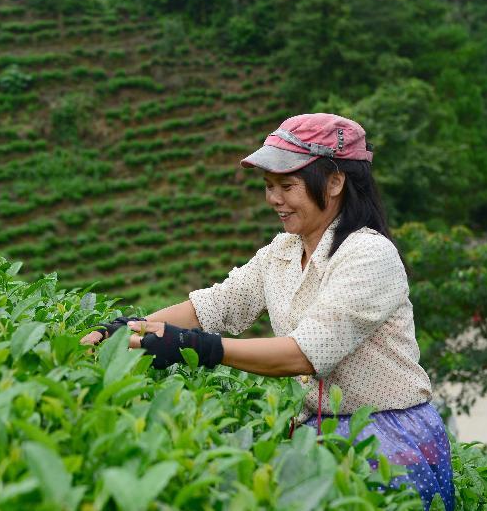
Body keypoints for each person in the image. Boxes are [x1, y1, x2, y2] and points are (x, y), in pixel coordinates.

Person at [81, 113, 454, 510]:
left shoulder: (368, 255)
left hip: (388, 438)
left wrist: (197, 347)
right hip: (318, 435)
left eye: (287, 185)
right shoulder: (284, 251)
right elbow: (214, 306)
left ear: (335, 181)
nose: (274, 199)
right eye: (268, 186)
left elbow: (303, 355)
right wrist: (125, 328)